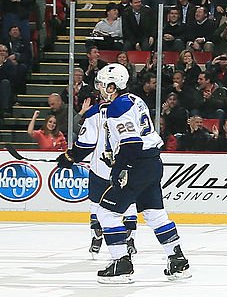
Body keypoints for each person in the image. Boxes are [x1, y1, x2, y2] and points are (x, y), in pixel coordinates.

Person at [82, 64, 190, 283]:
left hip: (137, 164)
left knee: (105, 212)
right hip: (152, 162)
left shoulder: (116, 107)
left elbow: (131, 142)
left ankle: (121, 263)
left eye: (103, 85)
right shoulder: (134, 99)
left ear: (113, 86)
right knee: (155, 213)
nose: (100, 89)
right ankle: (177, 260)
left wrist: (120, 168)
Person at [54, 96, 139, 259]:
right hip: (125, 167)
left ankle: (97, 237)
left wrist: (71, 157)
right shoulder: (133, 107)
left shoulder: (96, 112)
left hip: (100, 169)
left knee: (96, 204)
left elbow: (85, 144)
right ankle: (129, 240)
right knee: (129, 203)